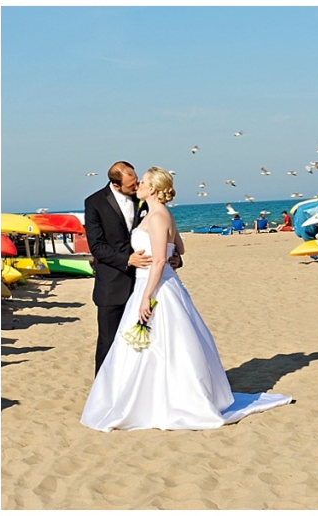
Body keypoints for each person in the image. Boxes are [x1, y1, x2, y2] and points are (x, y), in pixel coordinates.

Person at [80, 167, 291, 431]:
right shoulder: (142, 209)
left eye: (142, 182)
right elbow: (177, 246)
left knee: (166, 344)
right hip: (132, 283)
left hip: (153, 285)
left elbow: (162, 258)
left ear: (152, 189)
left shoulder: (156, 214)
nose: (137, 186)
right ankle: (128, 396)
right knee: (133, 345)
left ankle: (158, 400)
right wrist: (170, 253)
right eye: (135, 182)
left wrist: (151, 288)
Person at [84, 161, 152, 376]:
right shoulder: (94, 203)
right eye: (131, 185)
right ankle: (102, 388)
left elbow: (160, 231)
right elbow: (97, 246)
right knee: (108, 342)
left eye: (137, 182)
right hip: (111, 285)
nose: (136, 187)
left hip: (143, 283)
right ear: (115, 184)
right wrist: (127, 259)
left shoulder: (143, 200)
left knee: (143, 340)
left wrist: (174, 256)